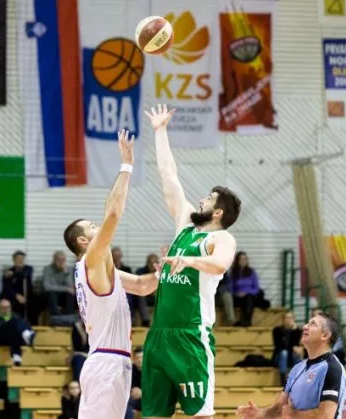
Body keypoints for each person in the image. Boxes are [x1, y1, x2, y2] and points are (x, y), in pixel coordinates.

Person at [141, 105, 240, 419]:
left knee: (200, 416)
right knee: (153, 415)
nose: (201, 199)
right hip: (159, 334)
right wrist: (160, 131)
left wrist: (191, 261)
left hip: (190, 336)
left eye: (208, 199)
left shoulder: (221, 238)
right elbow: (169, 176)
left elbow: (220, 264)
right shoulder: (185, 225)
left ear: (218, 212)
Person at [62, 129, 160, 419]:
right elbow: (113, 214)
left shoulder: (103, 269)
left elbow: (141, 286)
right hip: (106, 361)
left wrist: (167, 271)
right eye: (93, 227)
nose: (99, 227)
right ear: (83, 241)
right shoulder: (92, 259)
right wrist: (126, 166)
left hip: (115, 361)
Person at [237, 312, 346, 419]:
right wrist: (260, 414)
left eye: (313, 324)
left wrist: (294, 415)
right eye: (307, 323)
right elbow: (280, 409)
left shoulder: (332, 369)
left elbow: (326, 416)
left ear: (325, 335)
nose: (305, 326)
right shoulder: (297, 368)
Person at [0, 299, 36, 366]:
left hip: (15, 338)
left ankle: (16, 355)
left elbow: (27, 325)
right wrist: (4, 324)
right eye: (3, 308)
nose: (6, 309)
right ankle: (26, 335)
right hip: (2, 338)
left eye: (8, 307)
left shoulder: (16, 316)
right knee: (13, 322)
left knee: (15, 326)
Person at [272, 311, 303, 386]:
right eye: (287, 318)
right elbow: (279, 346)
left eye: (291, 318)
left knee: (297, 354)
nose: (289, 320)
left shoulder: (297, 331)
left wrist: (293, 331)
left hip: (291, 357)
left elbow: (296, 346)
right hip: (279, 357)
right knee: (284, 353)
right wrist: (292, 347)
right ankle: (283, 381)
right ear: (283, 319)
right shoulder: (277, 330)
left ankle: (297, 380)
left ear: (294, 319)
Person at [230, 251, 261, 326]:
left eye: (245, 259)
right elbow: (230, 288)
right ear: (237, 261)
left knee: (249, 298)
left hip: (249, 297)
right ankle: (240, 322)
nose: (243, 261)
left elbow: (256, 288)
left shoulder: (252, 272)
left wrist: (247, 293)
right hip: (238, 297)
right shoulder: (233, 272)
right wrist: (236, 294)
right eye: (241, 259)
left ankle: (247, 321)